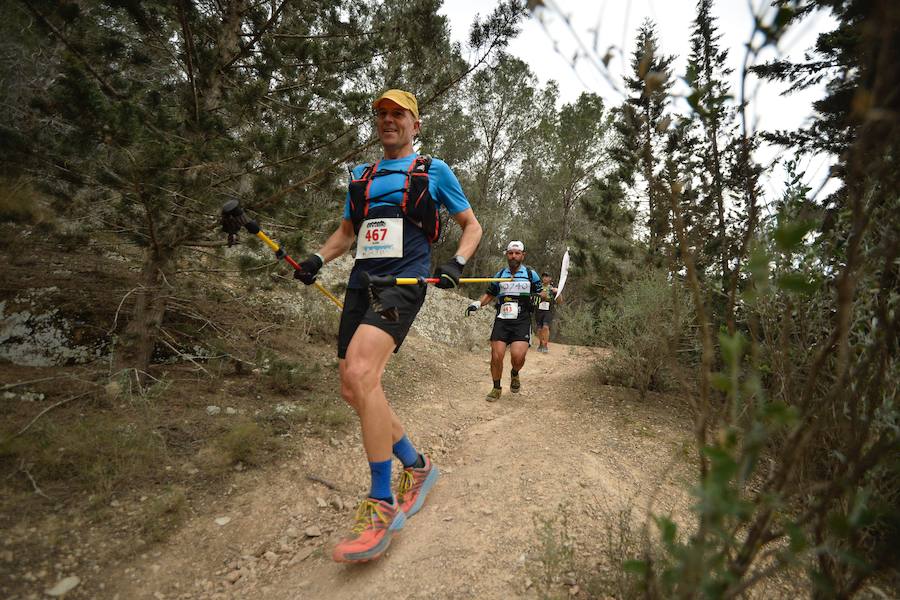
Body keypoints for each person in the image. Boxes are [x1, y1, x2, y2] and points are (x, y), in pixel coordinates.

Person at [292, 89, 483, 563]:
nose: (388, 120)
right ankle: (416, 467)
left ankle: (382, 502)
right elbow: (347, 232)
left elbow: (471, 225)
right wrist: (317, 258)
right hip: (363, 281)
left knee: (361, 374)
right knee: (354, 387)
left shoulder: (433, 171)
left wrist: (457, 263)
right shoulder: (362, 175)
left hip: (404, 281)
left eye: (399, 114)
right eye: (382, 114)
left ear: (416, 125)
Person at [466, 241, 545, 401]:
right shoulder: (500, 274)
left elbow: (542, 293)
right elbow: (490, 294)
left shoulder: (531, 274)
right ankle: (496, 387)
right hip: (502, 318)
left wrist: (537, 297)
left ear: (523, 255)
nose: (513, 256)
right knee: (496, 355)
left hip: (522, 319)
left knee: (517, 357)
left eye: (517, 253)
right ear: (507, 255)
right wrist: (477, 304)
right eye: (510, 253)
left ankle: (515, 373)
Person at [534, 271, 561, 353]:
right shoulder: (538, 288)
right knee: (539, 328)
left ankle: (545, 345)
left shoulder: (553, 289)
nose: (545, 278)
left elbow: (560, 301)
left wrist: (558, 292)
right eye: (544, 276)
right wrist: (539, 294)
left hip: (548, 311)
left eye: (547, 276)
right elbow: (533, 297)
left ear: (550, 278)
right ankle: (540, 344)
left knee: (545, 327)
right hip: (538, 310)